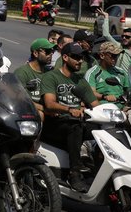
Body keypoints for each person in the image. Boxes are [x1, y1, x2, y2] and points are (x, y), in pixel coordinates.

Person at [40, 43, 100, 191]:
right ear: (65, 57)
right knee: (75, 127)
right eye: (76, 57)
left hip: (75, 123)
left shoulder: (80, 81)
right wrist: (69, 109)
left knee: (101, 130)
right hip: (55, 124)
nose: (80, 61)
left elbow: (96, 105)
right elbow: (49, 104)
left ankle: (97, 168)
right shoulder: (51, 76)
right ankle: (74, 173)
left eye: (81, 58)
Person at [13, 38, 56, 118]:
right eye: (47, 52)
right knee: (40, 115)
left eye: (52, 51)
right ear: (36, 53)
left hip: (48, 110)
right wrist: (43, 109)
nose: (51, 54)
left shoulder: (50, 73)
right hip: (27, 112)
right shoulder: (22, 72)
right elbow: (20, 99)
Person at [85, 41, 131, 109]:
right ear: (102, 56)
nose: (115, 58)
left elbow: (129, 92)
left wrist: (126, 106)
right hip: (103, 109)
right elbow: (90, 94)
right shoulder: (92, 73)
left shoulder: (121, 72)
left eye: (117, 55)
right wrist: (105, 97)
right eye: (113, 56)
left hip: (121, 110)